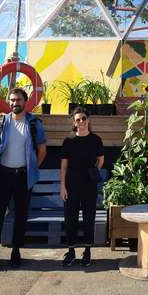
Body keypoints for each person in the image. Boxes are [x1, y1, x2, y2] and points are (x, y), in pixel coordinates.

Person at [0, 88, 47, 274]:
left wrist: (32, 167)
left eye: (19, 100)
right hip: (4, 174)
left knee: (21, 215)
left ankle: (16, 251)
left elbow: (42, 150)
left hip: (23, 175)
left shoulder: (34, 123)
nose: (15, 103)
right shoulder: (1, 122)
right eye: (12, 100)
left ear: (26, 101)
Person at [60, 107, 104, 267]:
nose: (81, 122)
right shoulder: (68, 141)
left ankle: (87, 251)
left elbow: (101, 159)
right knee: (70, 218)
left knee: (88, 218)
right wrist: (62, 186)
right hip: (71, 185)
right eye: (78, 119)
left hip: (89, 185)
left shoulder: (96, 140)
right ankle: (71, 251)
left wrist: (94, 172)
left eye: (84, 118)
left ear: (89, 120)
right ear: (74, 122)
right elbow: (63, 166)